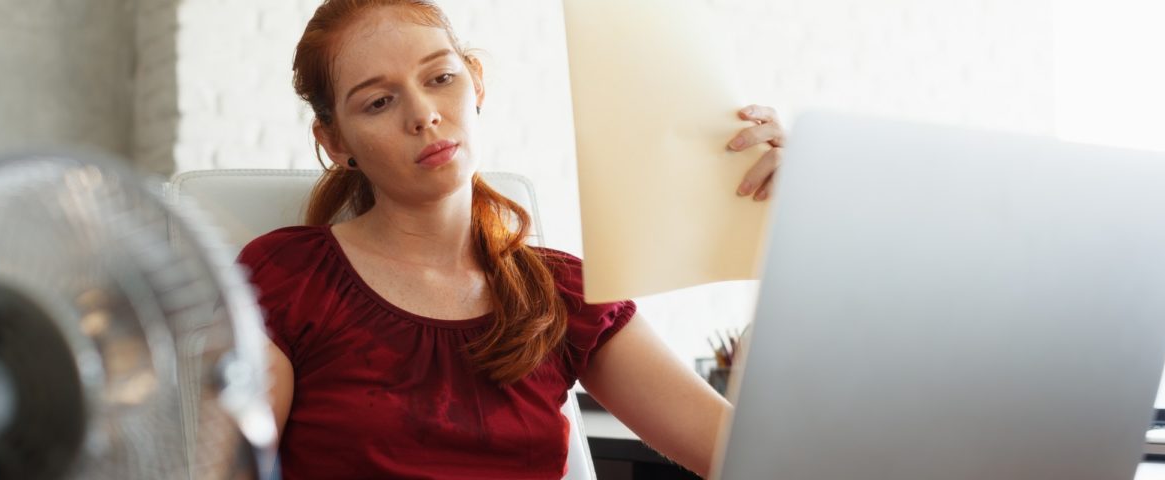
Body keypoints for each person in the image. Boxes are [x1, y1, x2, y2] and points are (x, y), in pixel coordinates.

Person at [236, 1, 787, 478]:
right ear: (334, 142)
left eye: (440, 78)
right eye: (379, 102)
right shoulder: (285, 278)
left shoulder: (563, 292)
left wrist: (808, 210)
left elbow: (759, 463)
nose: (424, 115)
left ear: (476, 81)